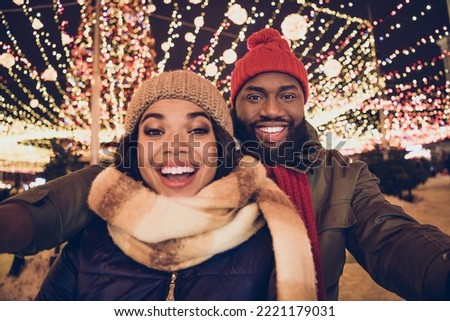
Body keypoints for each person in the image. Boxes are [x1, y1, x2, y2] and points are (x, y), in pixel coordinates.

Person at [1, 28, 449, 300]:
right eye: (254, 96)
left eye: (287, 95)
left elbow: (391, 237)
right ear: (234, 108)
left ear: (303, 103)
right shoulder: (211, 167)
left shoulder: (340, 176)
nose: (272, 110)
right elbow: (92, 189)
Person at [34, 70, 319, 300]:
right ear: (135, 149)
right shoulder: (88, 243)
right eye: (155, 131)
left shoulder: (268, 243)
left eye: (196, 130)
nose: (175, 146)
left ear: (220, 148)